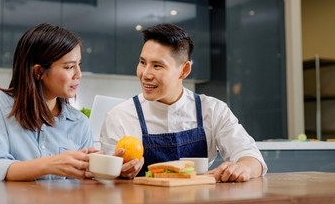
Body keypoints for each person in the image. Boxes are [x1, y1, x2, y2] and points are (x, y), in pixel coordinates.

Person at [100, 23, 268, 182]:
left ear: (184, 70)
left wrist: (243, 167)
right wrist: (117, 174)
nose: (145, 74)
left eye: (157, 66)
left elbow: (251, 157)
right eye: (143, 62)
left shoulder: (213, 109)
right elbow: (106, 180)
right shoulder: (119, 117)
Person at [0, 23, 97, 181]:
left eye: (79, 65)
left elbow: (83, 186)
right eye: (69, 67)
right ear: (39, 72)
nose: (79, 74)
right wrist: (50, 164)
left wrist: (101, 168)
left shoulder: (80, 123)